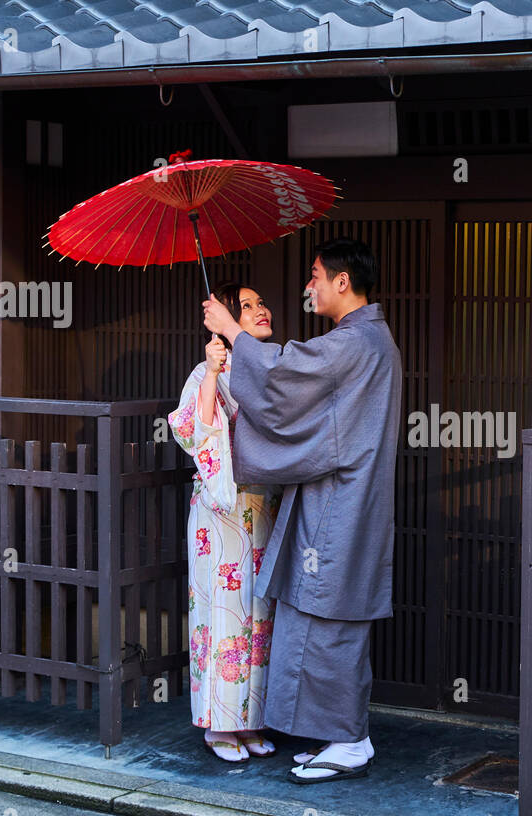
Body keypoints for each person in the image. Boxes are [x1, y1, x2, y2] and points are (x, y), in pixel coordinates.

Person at [202, 237, 402, 784]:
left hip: (341, 503)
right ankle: (339, 737)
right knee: (324, 612)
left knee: (331, 614)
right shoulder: (365, 341)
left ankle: (350, 740)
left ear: (343, 281)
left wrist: (233, 330)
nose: (307, 285)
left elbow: (284, 379)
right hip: (342, 499)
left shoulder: (356, 342)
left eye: (315, 275)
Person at [168, 282, 282, 762]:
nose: (261, 309)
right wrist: (214, 374)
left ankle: (251, 720)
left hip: (262, 507)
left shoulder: (272, 366)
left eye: (261, 302)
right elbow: (194, 432)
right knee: (221, 615)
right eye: (247, 306)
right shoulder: (205, 370)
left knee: (259, 617)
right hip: (219, 511)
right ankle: (219, 725)